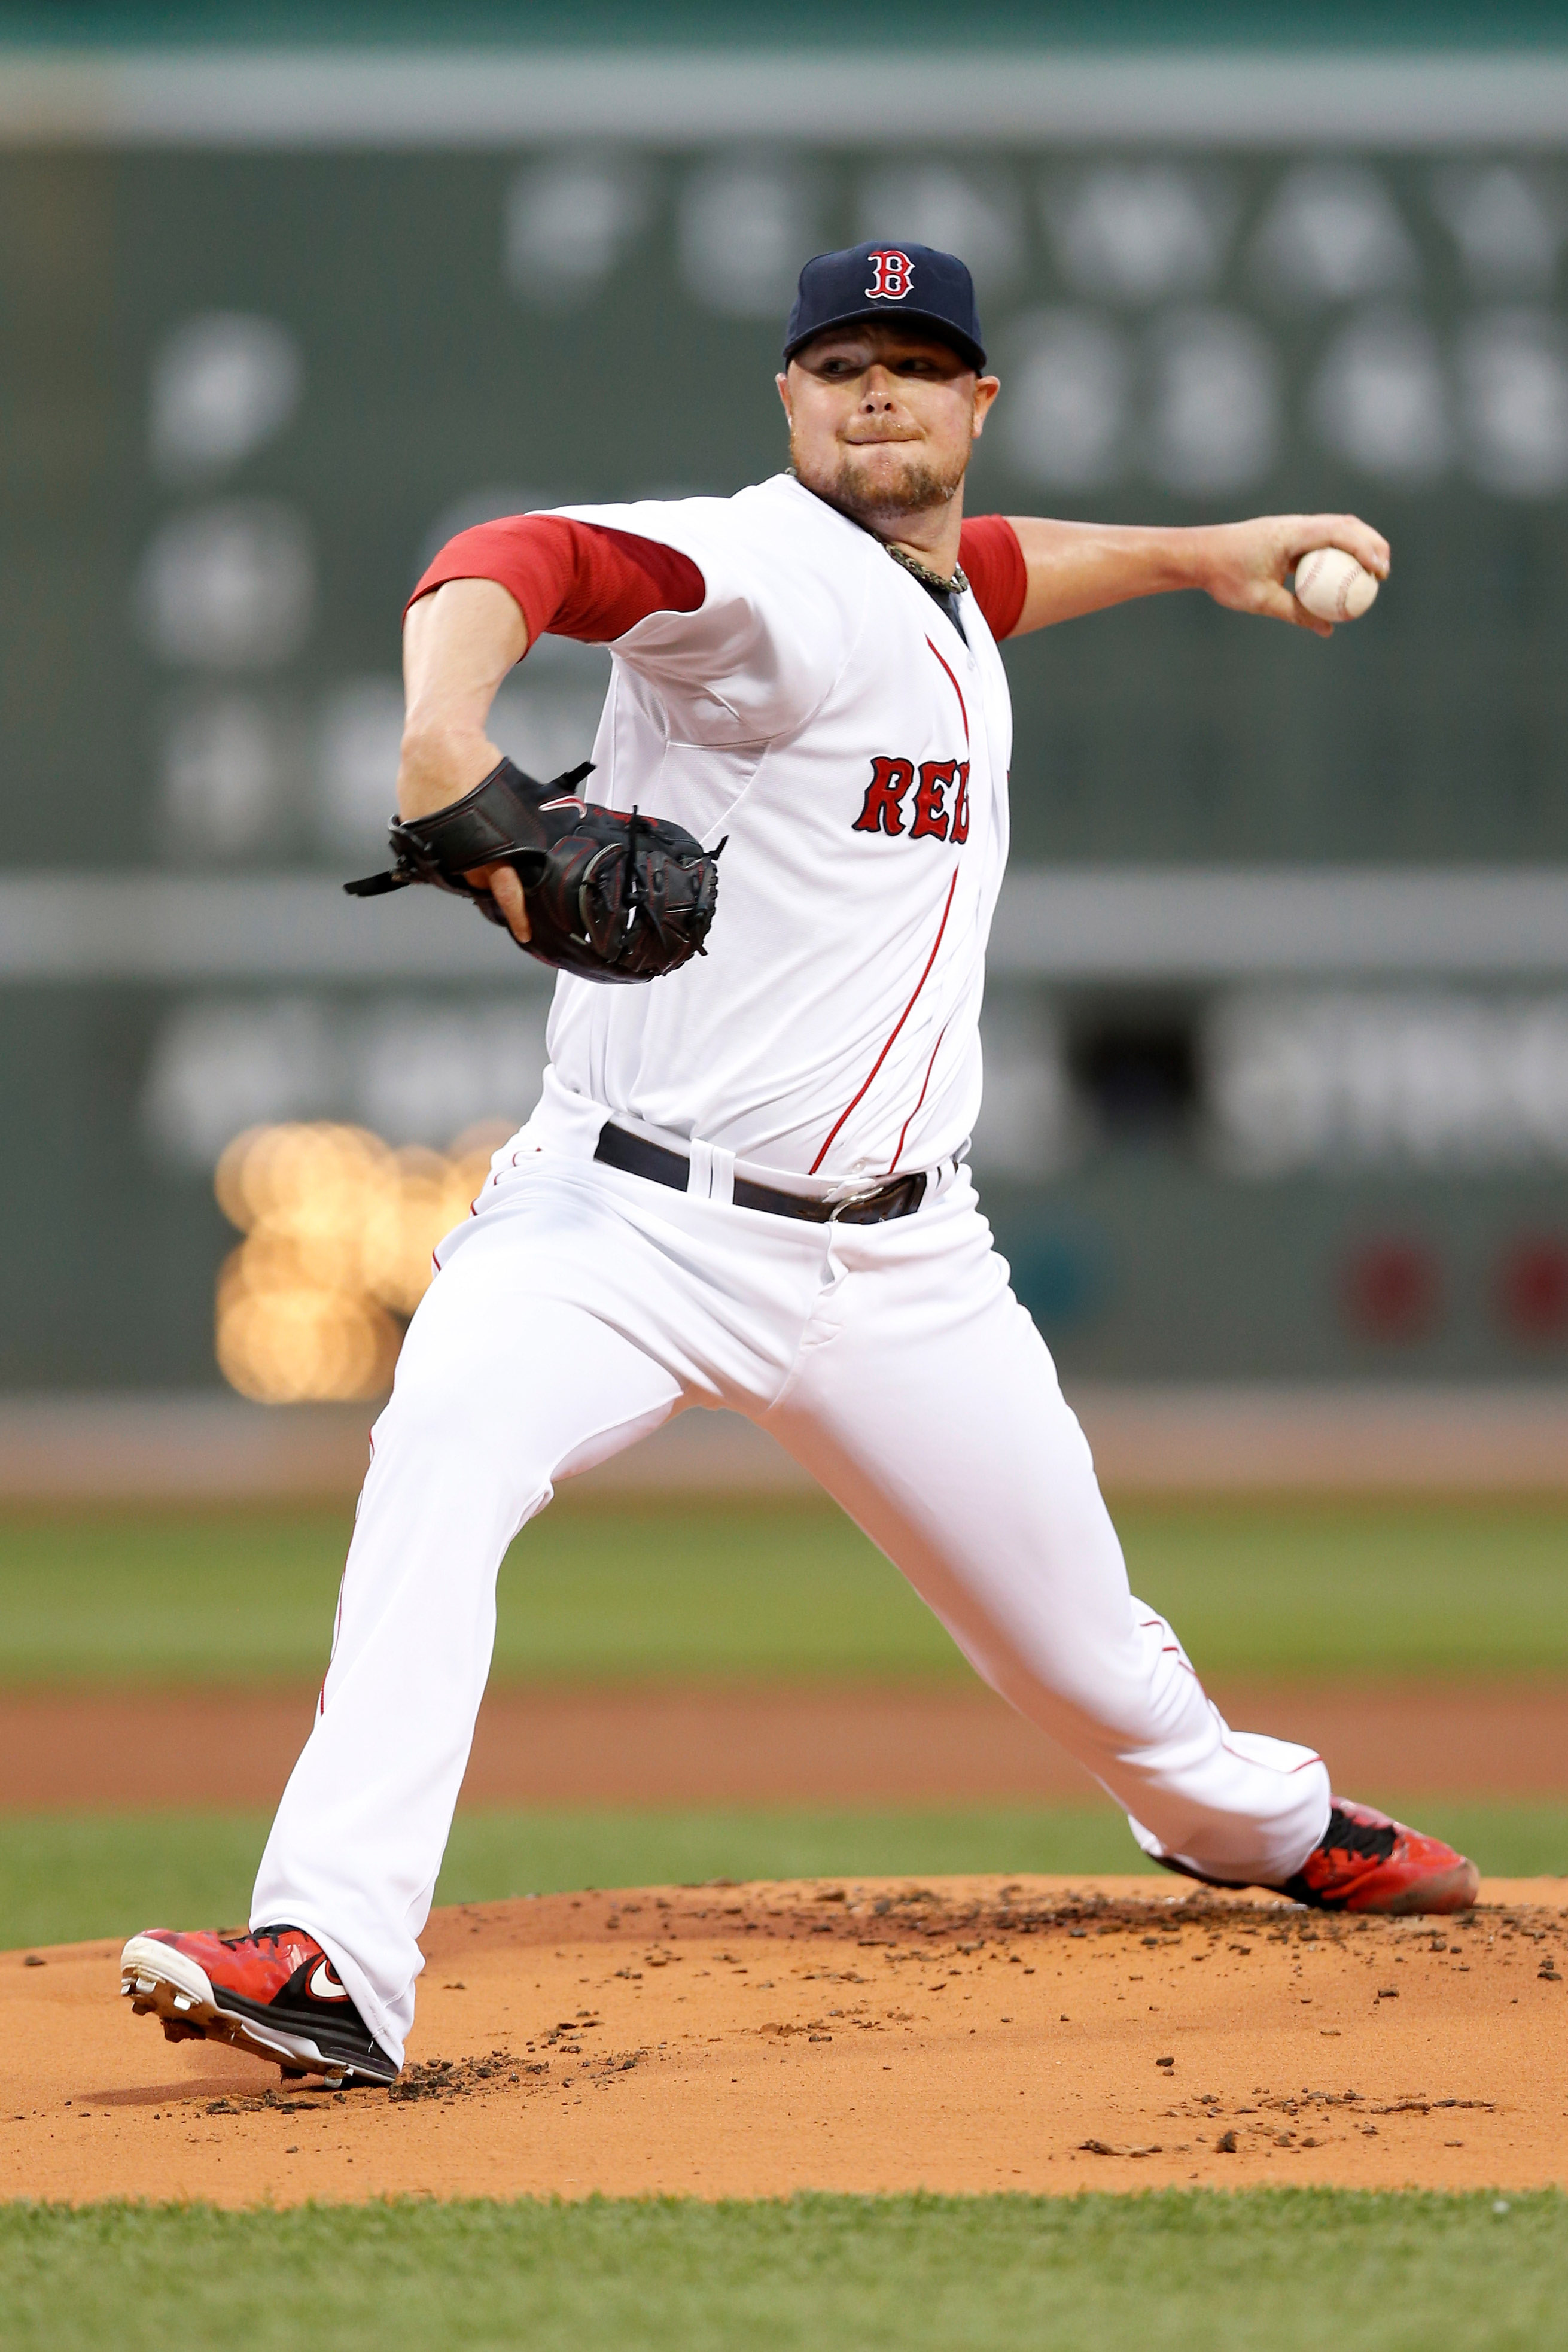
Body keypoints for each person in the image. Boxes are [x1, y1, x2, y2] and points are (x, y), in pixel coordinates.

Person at [120, 241, 1478, 2088]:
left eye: (915, 362)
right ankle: (334, 1952)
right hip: (621, 1221)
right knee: (442, 1449)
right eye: (841, 364)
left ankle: (1260, 1825)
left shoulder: (935, 592)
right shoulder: (760, 573)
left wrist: (1195, 555)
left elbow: (991, 572)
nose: (877, 391)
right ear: (788, 398)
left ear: (976, 403)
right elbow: (519, 556)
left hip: (905, 1265)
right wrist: (444, 731)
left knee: (1096, 1664)